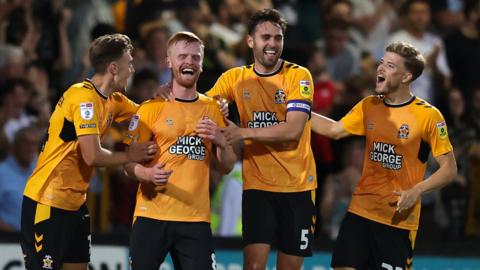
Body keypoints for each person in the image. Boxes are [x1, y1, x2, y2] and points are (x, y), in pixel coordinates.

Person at [157, 9, 317, 269]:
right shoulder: (234, 78)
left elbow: (293, 130)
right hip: (257, 187)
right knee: (253, 267)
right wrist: (170, 88)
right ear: (250, 41)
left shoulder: (299, 76)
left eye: (278, 38)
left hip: (298, 188)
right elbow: (200, 105)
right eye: (265, 37)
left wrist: (241, 131)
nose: (272, 44)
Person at [310, 42, 457, 270]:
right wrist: (296, 110)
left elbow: (449, 168)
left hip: (397, 222)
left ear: (406, 76)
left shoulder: (428, 116)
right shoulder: (370, 105)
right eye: (382, 63)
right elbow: (334, 130)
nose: (380, 69)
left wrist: (417, 190)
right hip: (360, 212)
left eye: (390, 65)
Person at [20, 34, 157, 270]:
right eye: (129, 63)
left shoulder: (113, 100)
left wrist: (167, 97)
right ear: (114, 68)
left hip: (76, 205)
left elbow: (148, 113)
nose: (133, 69)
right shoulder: (82, 98)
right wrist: (130, 156)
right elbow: (91, 155)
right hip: (47, 201)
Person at [124, 31, 237, 270]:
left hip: (195, 221)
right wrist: (148, 175)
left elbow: (226, 166)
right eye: (182, 56)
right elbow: (127, 163)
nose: (189, 62)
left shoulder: (214, 109)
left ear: (202, 64)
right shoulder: (149, 109)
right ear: (169, 62)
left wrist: (219, 139)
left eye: (195, 57)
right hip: (151, 216)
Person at [0, 126, 40, 232]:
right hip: (7, 241)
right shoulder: (2, 173)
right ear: (15, 146)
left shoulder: (40, 171)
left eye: (34, 143)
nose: (30, 148)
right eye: (26, 143)